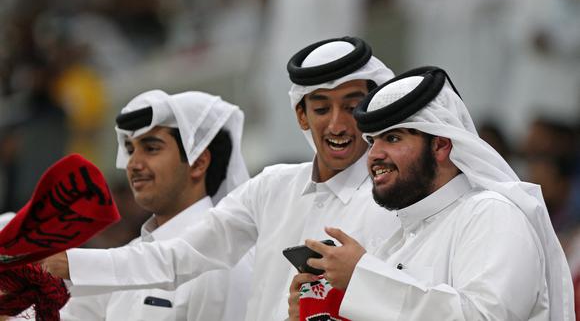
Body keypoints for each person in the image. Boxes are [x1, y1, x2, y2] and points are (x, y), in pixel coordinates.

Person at [43, 37, 401, 320]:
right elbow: (177, 257)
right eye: (321, 108)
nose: (337, 124)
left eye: (353, 107)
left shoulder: (395, 200)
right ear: (302, 116)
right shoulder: (272, 186)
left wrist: (363, 280)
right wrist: (72, 263)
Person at [290, 66, 574, 320]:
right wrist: (320, 311)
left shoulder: (492, 214)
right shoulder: (395, 244)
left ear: (440, 145)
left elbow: (485, 317)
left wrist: (362, 278)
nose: (374, 154)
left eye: (392, 138)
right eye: (372, 141)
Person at [59, 90, 254, 321]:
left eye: (151, 148)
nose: (133, 163)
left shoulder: (223, 260)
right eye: (131, 150)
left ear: (199, 163)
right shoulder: (130, 254)